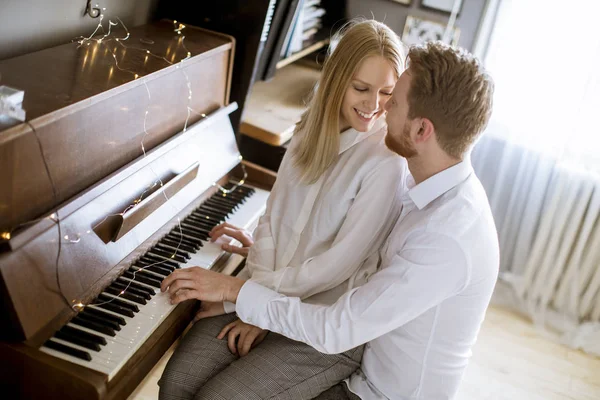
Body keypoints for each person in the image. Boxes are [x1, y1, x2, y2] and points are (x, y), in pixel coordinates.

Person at [162, 40, 498, 400]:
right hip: (340, 334)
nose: (381, 108)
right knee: (179, 384)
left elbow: (338, 327)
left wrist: (236, 291)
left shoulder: (444, 237)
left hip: (372, 391)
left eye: (393, 101)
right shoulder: (428, 184)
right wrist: (270, 260)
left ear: (421, 131)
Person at [158, 20, 407, 400]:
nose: (374, 106)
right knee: (177, 384)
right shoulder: (309, 129)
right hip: (264, 291)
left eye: (386, 93)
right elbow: (273, 220)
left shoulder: (385, 163)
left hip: (321, 326)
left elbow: (334, 267)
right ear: (338, 78)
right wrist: (255, 298)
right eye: (361, 88)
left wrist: (247, 299)